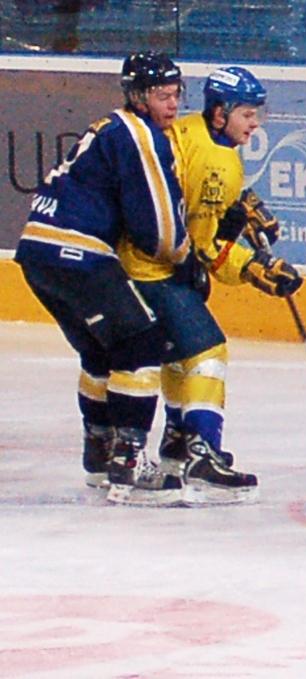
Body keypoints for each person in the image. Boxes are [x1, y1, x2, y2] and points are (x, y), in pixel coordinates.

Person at [119, 65, 302, 505]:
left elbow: (203, 231)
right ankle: (202, 454)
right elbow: (200, 246)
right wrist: (253, 267)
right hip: (153, 269)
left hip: (142, 264)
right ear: (219, 113)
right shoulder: (206, 156)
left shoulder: (203, 142)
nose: (255, 124)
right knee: (208, 351)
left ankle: (177, 441)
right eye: (247, 114)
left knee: (179, 355)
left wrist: (239, 219)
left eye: (257, 114)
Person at [14, 51, 190, 505]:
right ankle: (128, 463)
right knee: (141, 344)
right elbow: (157, 226)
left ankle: (99, 457)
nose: (172, 104)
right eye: (162, 95)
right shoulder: (139, 134)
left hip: (36, 251)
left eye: (176, 94)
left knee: (99, 352)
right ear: (138, 96)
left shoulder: (108, 127)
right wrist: (184, 256)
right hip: (78, 252)